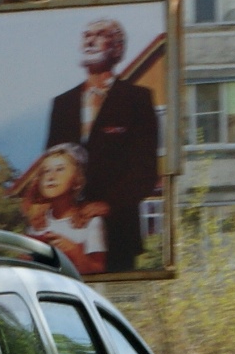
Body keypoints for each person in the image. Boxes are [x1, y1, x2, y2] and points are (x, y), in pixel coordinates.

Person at [45, 18, 159, 274]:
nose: (89, 40)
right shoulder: (63, 104)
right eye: (86, 35)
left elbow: (145, 171)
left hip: (116, 233)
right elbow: (49, 163)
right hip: (65, 233)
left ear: (117, 48)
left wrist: (106, 205)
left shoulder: (137, 100)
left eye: (99, 35)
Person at [14, 144, 106, 275]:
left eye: (60, 169)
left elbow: (99, 271)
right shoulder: (37, 223)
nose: (51, 177)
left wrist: (74, 251)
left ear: (77, 180)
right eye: (46, 171)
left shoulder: (91, 222)